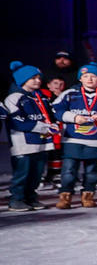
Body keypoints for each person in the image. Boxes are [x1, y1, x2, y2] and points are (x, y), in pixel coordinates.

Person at [50, 62, 97, 209]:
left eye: (93, 76)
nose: (89, 79)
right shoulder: (70, 94)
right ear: (80, 79)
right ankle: (65, 196)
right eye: (85, 76)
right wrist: (74, 117)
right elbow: (56, 110)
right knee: (68, 170)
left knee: (92, 171)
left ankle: (88, 195)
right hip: (72, 139)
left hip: (96, 140)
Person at [6, 62, 56, 211]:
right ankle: (16, 199)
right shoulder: (14, 98)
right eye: (33, 78)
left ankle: (30, 197)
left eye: (39, 78)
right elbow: (17, 122)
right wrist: (43, 127)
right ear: (22, 79)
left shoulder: (41, 97)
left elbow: (51, 115)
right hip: (23, 144)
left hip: (41, 142)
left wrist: (54, 125)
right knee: (22, 174)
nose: (38, 81)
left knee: (36, 173)